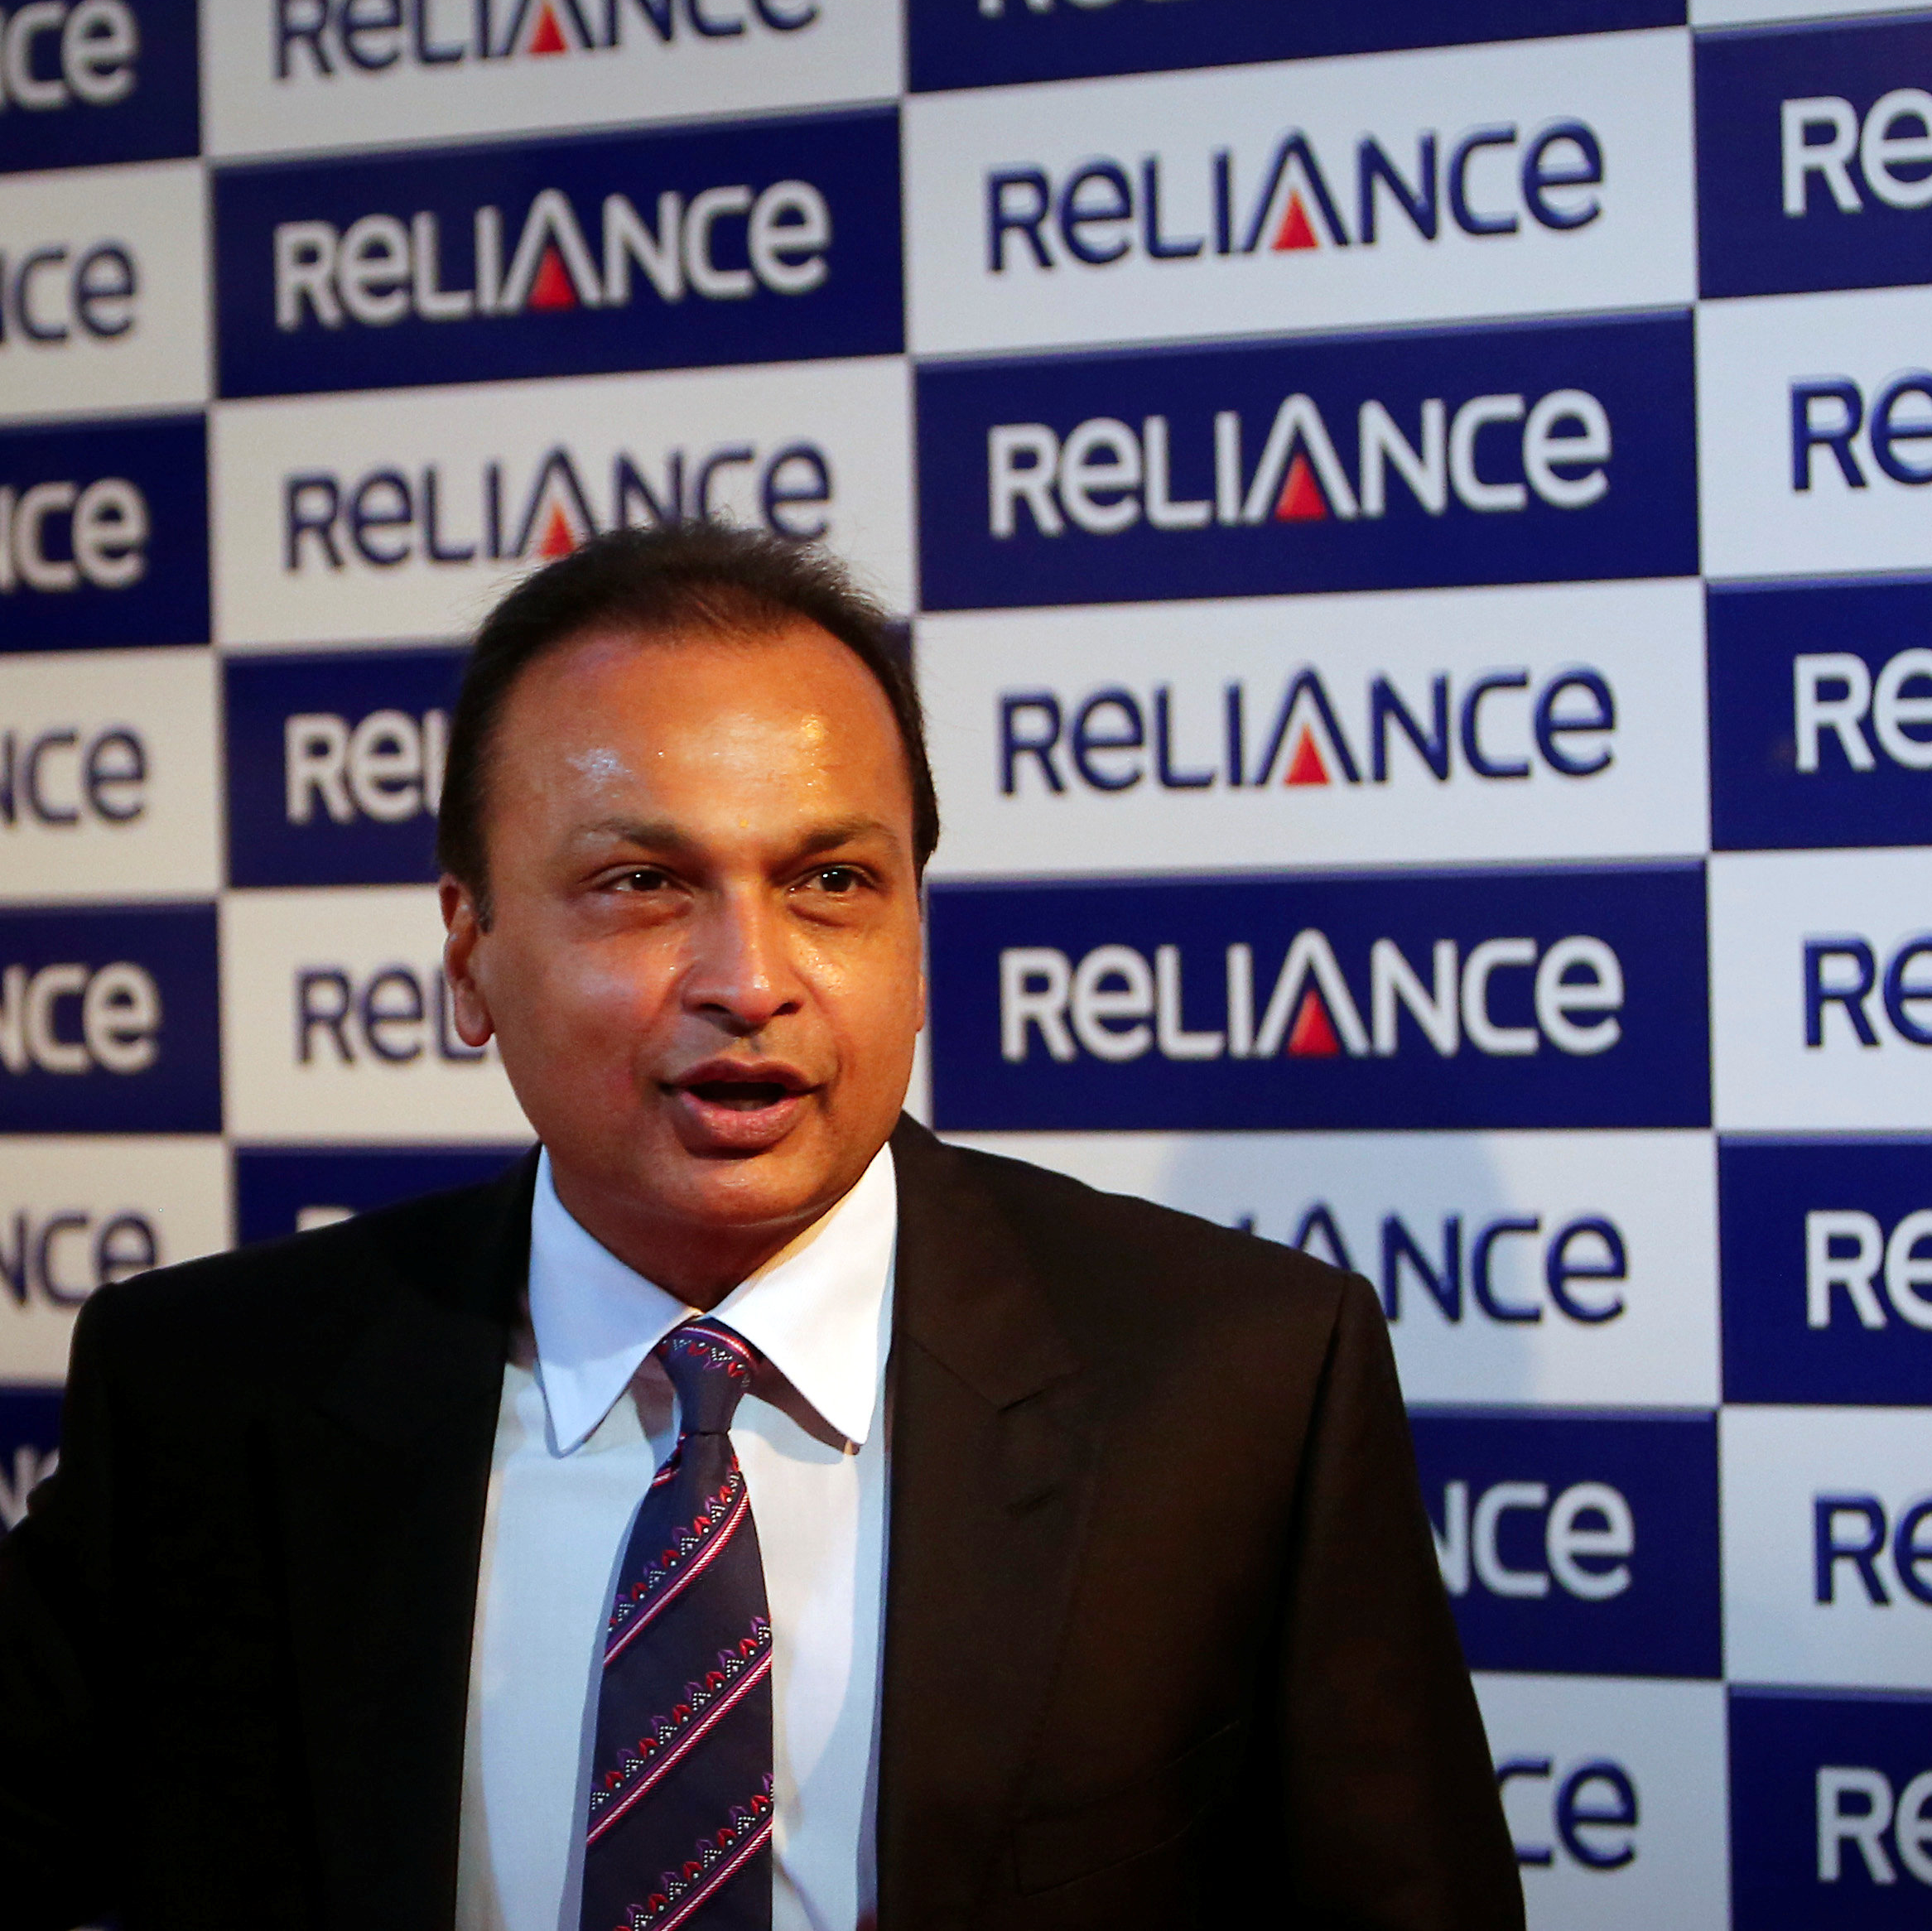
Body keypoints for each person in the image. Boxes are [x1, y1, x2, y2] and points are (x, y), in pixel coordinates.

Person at [0, 522, 1521, 1931]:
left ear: (917, 938)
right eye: (644, 883)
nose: (751, 979)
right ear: (469, 953)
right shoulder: (213, 1392)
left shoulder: (1239, 1384)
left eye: (833, 880)